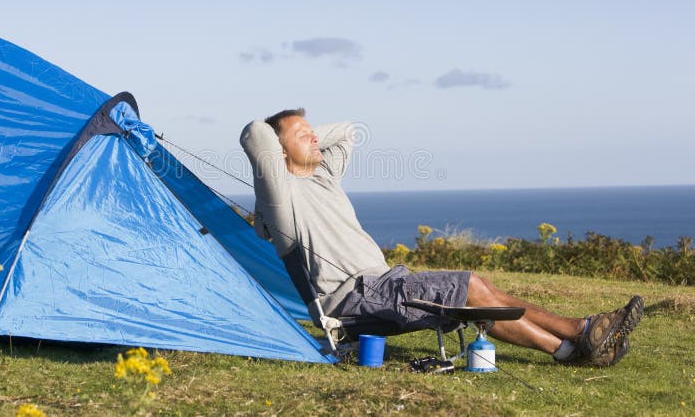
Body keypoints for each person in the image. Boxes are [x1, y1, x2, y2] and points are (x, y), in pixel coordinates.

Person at [240, 108, 643, 367]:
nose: (314, 138)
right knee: (470, 288)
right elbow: (254, 132)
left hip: (384, 282)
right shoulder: (281, 196)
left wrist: (304, 133)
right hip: (356, 297)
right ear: (278, 151)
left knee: (477, 291)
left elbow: (348, 131)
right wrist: (283, 138)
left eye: (314, 132)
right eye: (302, 135)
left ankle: (575, 344)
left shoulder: (324, 176)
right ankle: (580, 333)